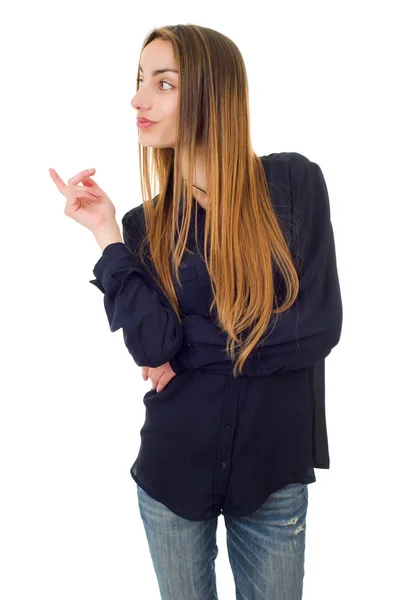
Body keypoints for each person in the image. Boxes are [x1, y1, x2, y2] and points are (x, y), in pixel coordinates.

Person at [49, 24, 343, 600]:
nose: (138, 98)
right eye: (139, 82)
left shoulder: (294, 184)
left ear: (213, 93)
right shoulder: (142, 226)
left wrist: (189, 346)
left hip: (273, 473)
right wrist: (107, 234)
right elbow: (154, 347)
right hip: (171, 475)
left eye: (163, 83)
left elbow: (317, 327)